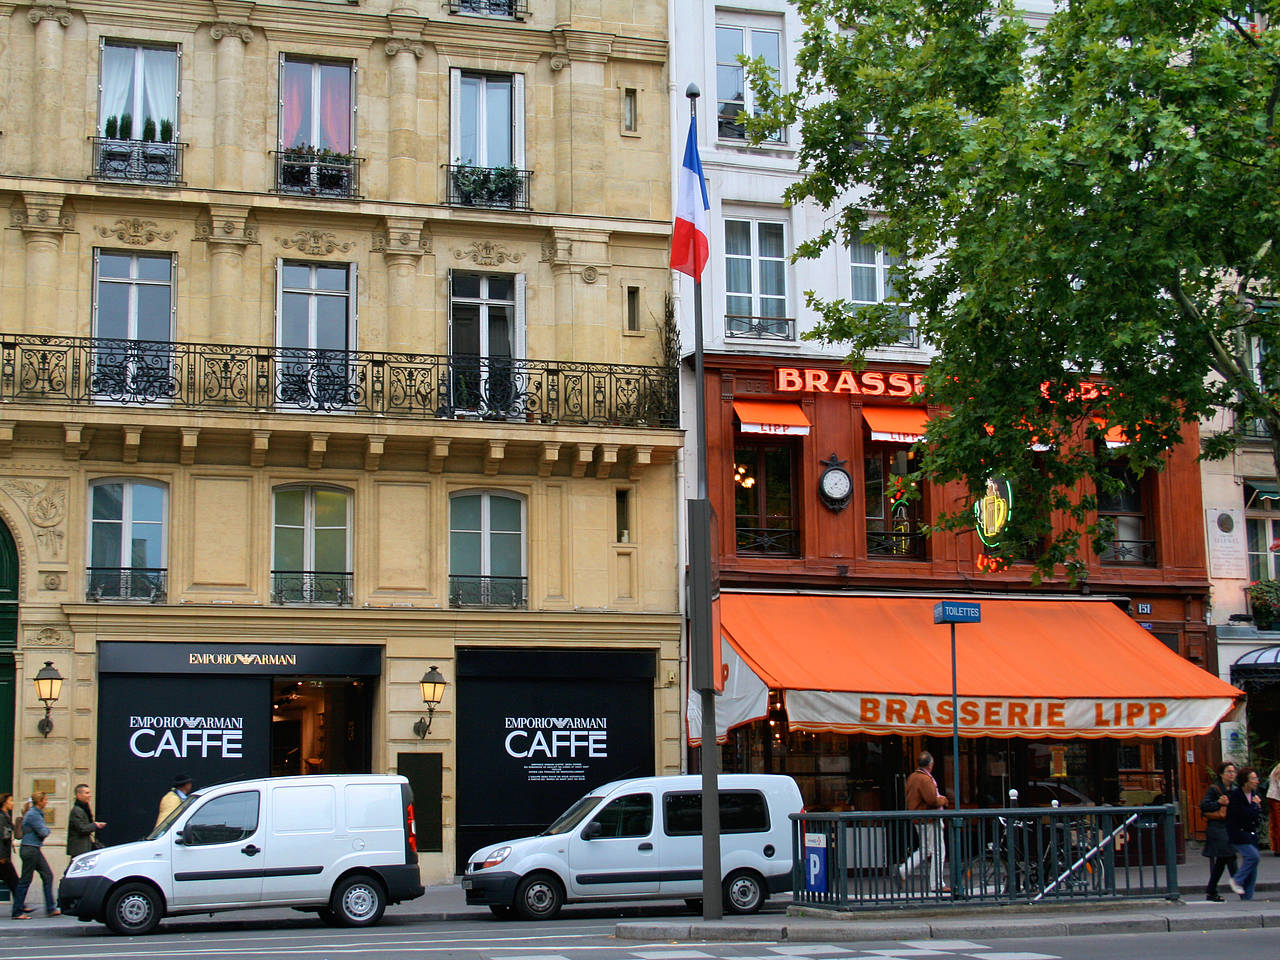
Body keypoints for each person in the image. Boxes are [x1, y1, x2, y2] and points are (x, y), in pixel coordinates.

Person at [897, 751, 949, 893]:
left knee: (925, 849)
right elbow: (932, 799)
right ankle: (937, 883)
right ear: (930, 765)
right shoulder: (925, 779)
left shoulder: (912, 777)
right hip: (930, 818)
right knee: (939, 851)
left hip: (918, 819)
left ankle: (903, 870)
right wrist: (943, 800)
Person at [12, 793, 57, 919]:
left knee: (47, 875)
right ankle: (17, 911)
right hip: (31, 849)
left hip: (32, 848)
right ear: (40, 802)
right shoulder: (34, 814)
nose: (47, 802)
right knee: (25, 880)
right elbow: (43, 832)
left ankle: (51, 908)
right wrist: (47, 830)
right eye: (45, 800)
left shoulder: (34, 813)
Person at [1200, 762, 1237, 901]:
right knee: (1230, 856)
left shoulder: (1235, 789)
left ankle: (1211, 891)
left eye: (1233, 771)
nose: (1232, 774)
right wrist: (1219, 803)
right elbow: (1204, 806)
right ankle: (1241, 888)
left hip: (1230, 827)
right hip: (1217, 828)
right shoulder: (1214, 789)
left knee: (1222, 860)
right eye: (1228, 771)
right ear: (1221, 774)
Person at [1226, 766, 1264, 900]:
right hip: (1238, 833)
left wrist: (1256, 808)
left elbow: (1255, 816)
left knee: (1253, 867)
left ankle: (1247, 898)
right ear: (1245, 781)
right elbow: (1242, 815)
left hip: (1251, 833)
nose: (1257, 781)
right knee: (1253, 857)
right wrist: (1255, 806)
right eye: (1253, 778)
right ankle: (1237, 880)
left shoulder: (1253, 795)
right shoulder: (1237, 796)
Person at [65, 784, 105, 863]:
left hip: (84, 848)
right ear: (78, 795)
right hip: (79, 849)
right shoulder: (77, 810)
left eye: (89, 793)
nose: (89, 795)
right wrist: (95, 825)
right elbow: (82, 828)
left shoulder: (83, 809)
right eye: (86, 793)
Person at [0, 794, 18, 905]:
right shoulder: (1, 817)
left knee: (13, 881)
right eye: (11, 800)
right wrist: (1, 856)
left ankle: (20, 905)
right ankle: (19, 908)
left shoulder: (6, 816)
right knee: (14, 881)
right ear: (4, 802)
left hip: (5, 855)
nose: (13, 803)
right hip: (2, 857)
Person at [1267, 762, 1280, 855]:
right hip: (1277, 798)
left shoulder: (1278, 767)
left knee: (1275, 823)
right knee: (1278, 824)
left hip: (1273, 796)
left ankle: (1276, 847)